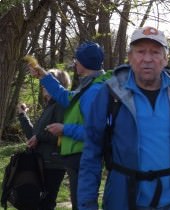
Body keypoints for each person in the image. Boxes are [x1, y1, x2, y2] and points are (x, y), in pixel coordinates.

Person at [77, 26, 170, 210]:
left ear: (165, 58)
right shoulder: (111, 93)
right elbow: (92, 151)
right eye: (140, 51)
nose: (147, 59)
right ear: (130, 57)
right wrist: (87, 204)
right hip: (123, 201)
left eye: (155, 52)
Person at [27, 42, 109, 210]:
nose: (74, 63)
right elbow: (64, 96)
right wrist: (43, 75)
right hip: (79, 160)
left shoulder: (94, 91)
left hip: (84, 159)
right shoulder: (89, 86)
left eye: (76, 60)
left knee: (83, 205)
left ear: (83, 63)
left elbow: (97, 132)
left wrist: (64, 129)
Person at [17, 69, 70, 210]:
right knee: (34, 203)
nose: (43, 86)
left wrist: (39, 136)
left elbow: (61, 134)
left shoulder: (61, 105)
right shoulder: (50, 106)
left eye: (47, 81)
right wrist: (23, 116)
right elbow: (34, 136)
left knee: (45, 204)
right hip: (41, 162)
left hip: (53, 164)